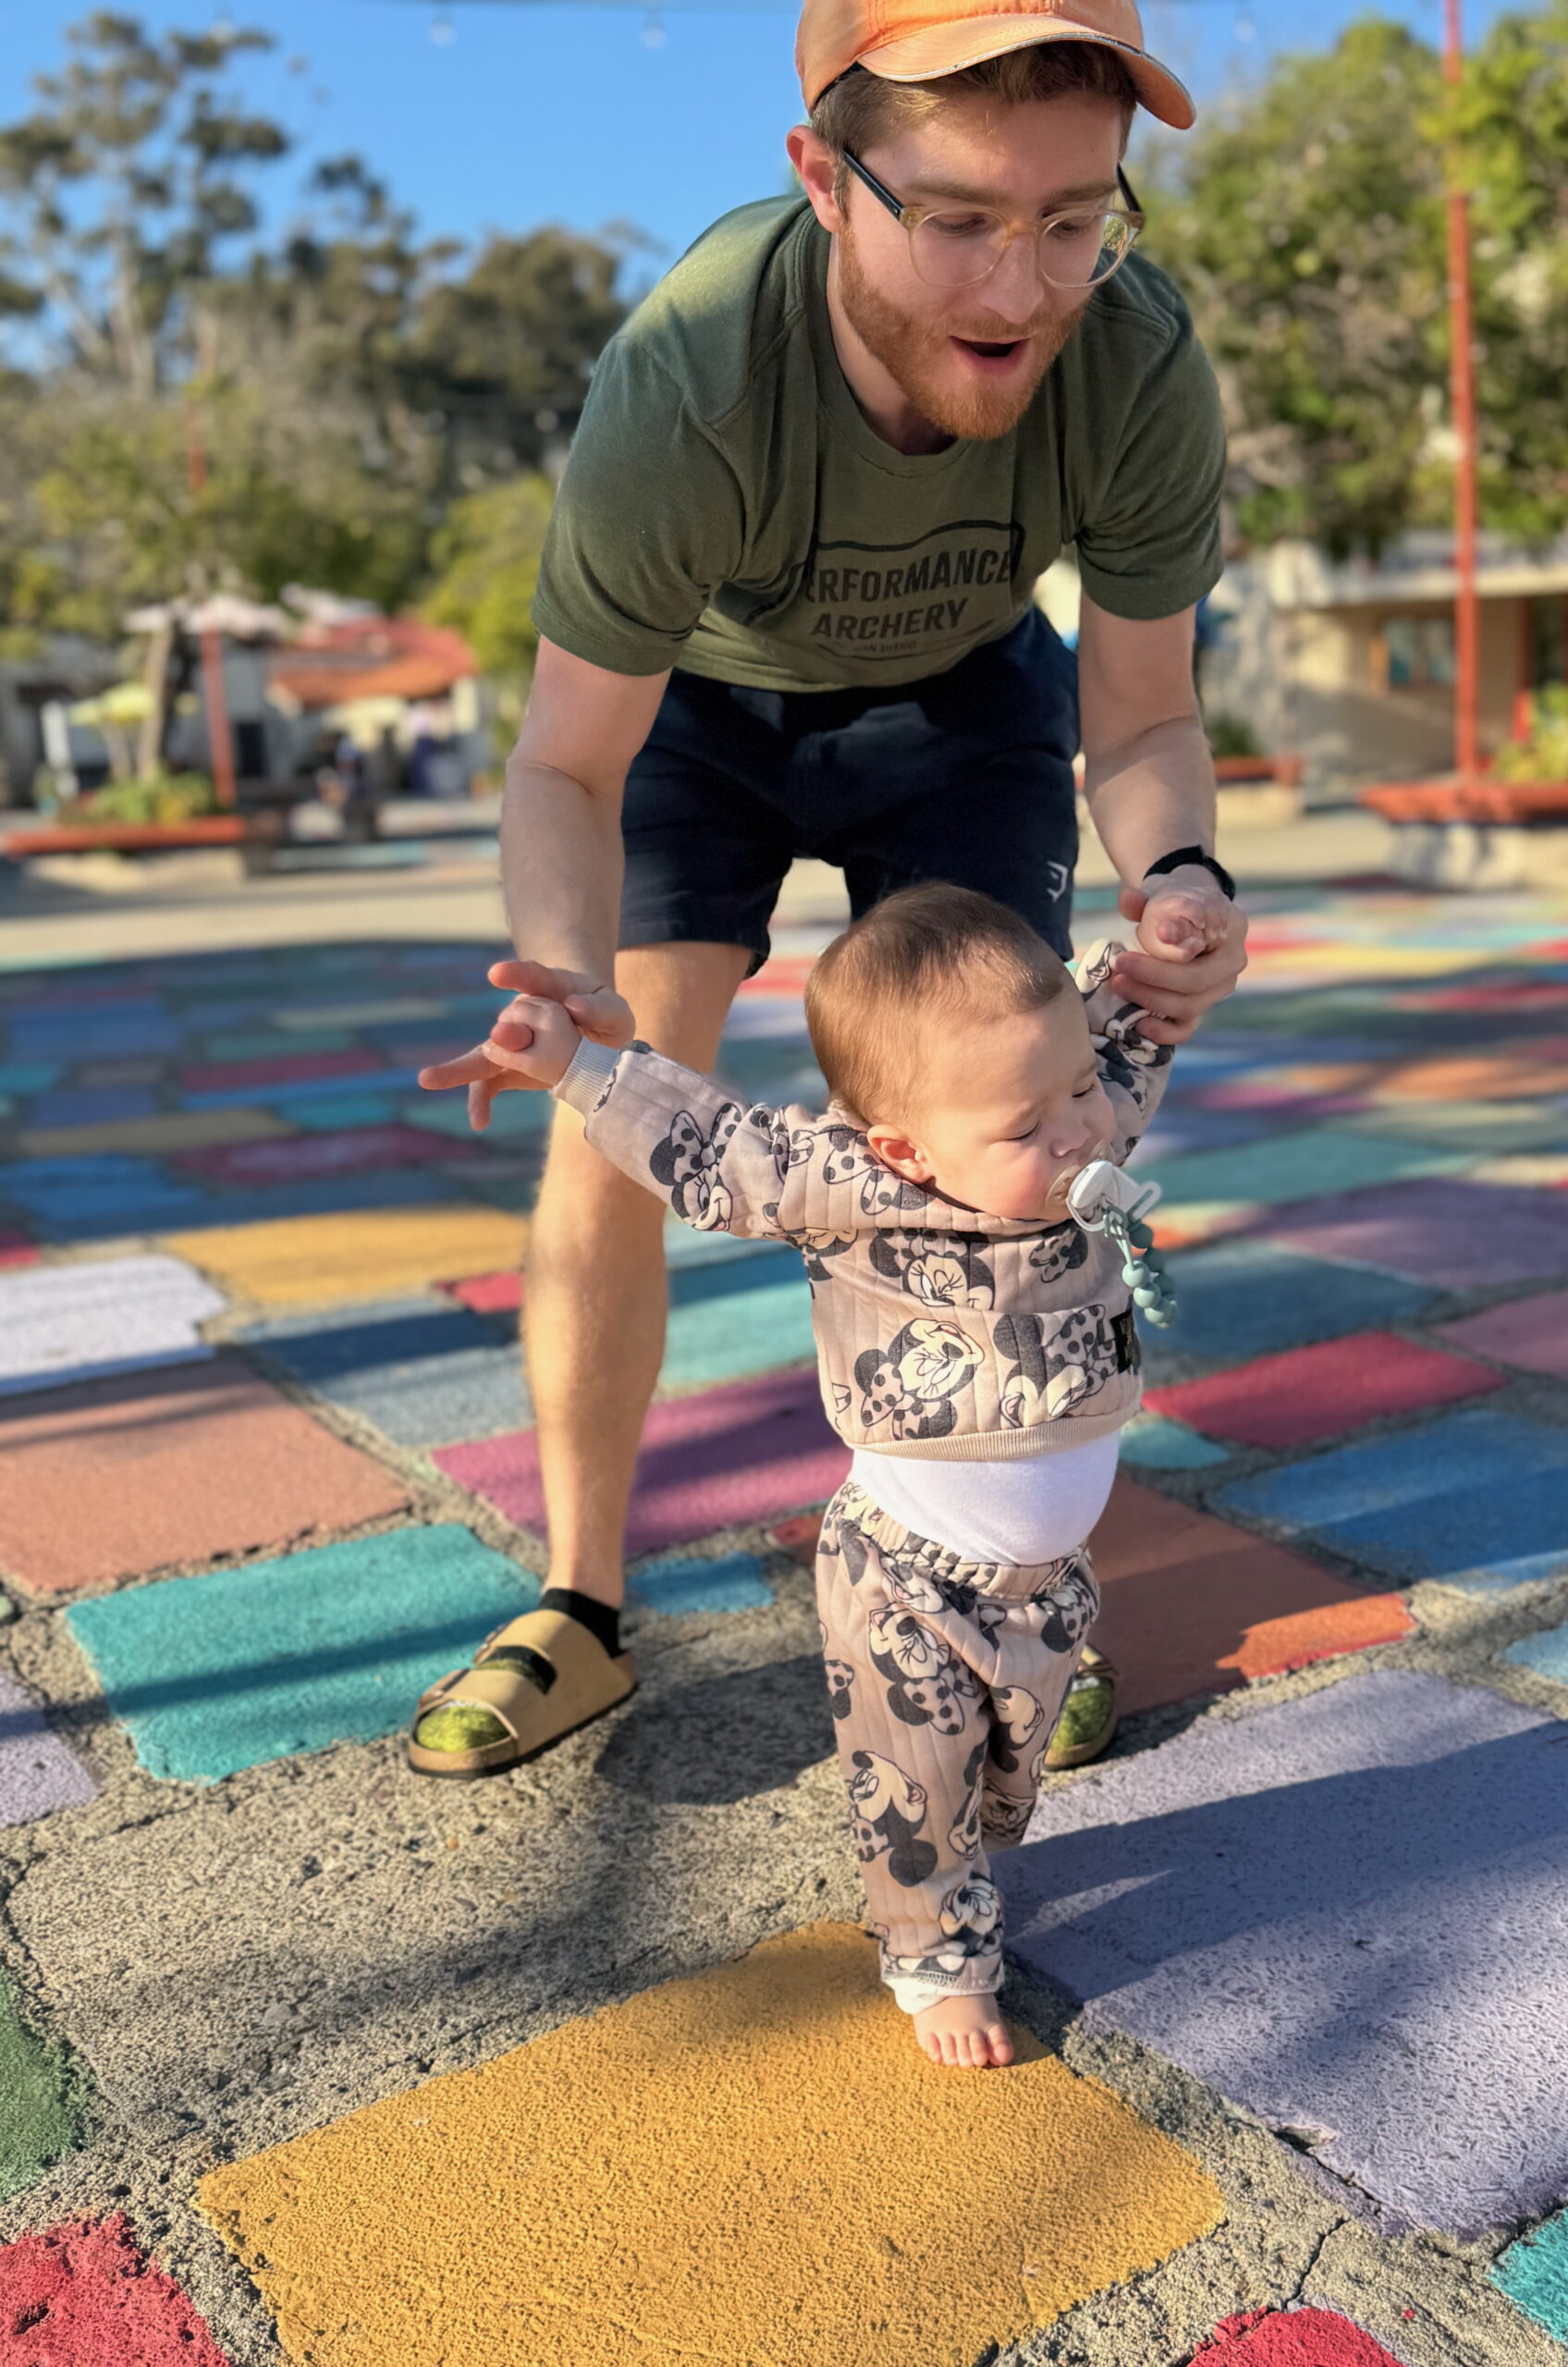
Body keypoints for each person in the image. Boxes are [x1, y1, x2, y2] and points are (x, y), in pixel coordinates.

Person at [410, 0, 1247, 1782]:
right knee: (615, 1109)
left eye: (1073, 218)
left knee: (1016, 1109)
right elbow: (564, 761)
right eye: (957, 218)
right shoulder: (699, 369)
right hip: (697, 715)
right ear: (822, 178)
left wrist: (1179, 876)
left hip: (961, 702)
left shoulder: (1139, 356)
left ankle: (1009, 1584)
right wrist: (563, 980)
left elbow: (1150, 708)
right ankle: (579, 1602)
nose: (1020, 288)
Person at [418, 884, 1207, 2066]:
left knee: (1006, 1780)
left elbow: (1122, 1029)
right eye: (1030, 1124)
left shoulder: (1068, 1106)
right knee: (915, 1782)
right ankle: (934, 1953)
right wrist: (579, 1067)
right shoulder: (847, 1186)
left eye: (1082, 1092)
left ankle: (966, 1855)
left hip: (1048, 1579)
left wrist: (1164, 954)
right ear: (903, 1146)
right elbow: (713, 1143)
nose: (1082, 1132)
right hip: (907, 1577)